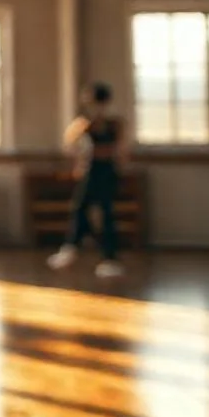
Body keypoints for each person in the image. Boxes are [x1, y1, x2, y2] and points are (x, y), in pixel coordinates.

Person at [48, 81, 127, 278]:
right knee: (80, 208)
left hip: (107, 171)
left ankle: (109, 258)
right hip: (91, 170)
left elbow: (118, 149)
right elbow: (69, 143)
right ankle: (72, 247)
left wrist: (109, 156)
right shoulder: (85, 122)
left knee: (106, 213)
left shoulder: (114, 123)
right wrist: (81, 159)